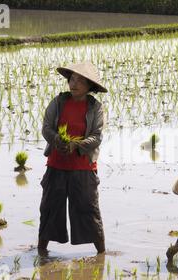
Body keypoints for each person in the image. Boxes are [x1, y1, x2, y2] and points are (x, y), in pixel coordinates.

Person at [37, 62, 107, 256]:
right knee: (50, 209)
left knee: (89, 210)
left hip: (83, 168)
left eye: (80, 81)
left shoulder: (95, 108)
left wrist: (78, 145)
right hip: (56, 166)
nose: (74, 84)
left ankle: (101, 255)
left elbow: (97, 136)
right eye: (73, 79)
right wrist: (56, 139)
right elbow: (46, 127)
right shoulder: (58, 102)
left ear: (89, 86)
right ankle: (41, 252)